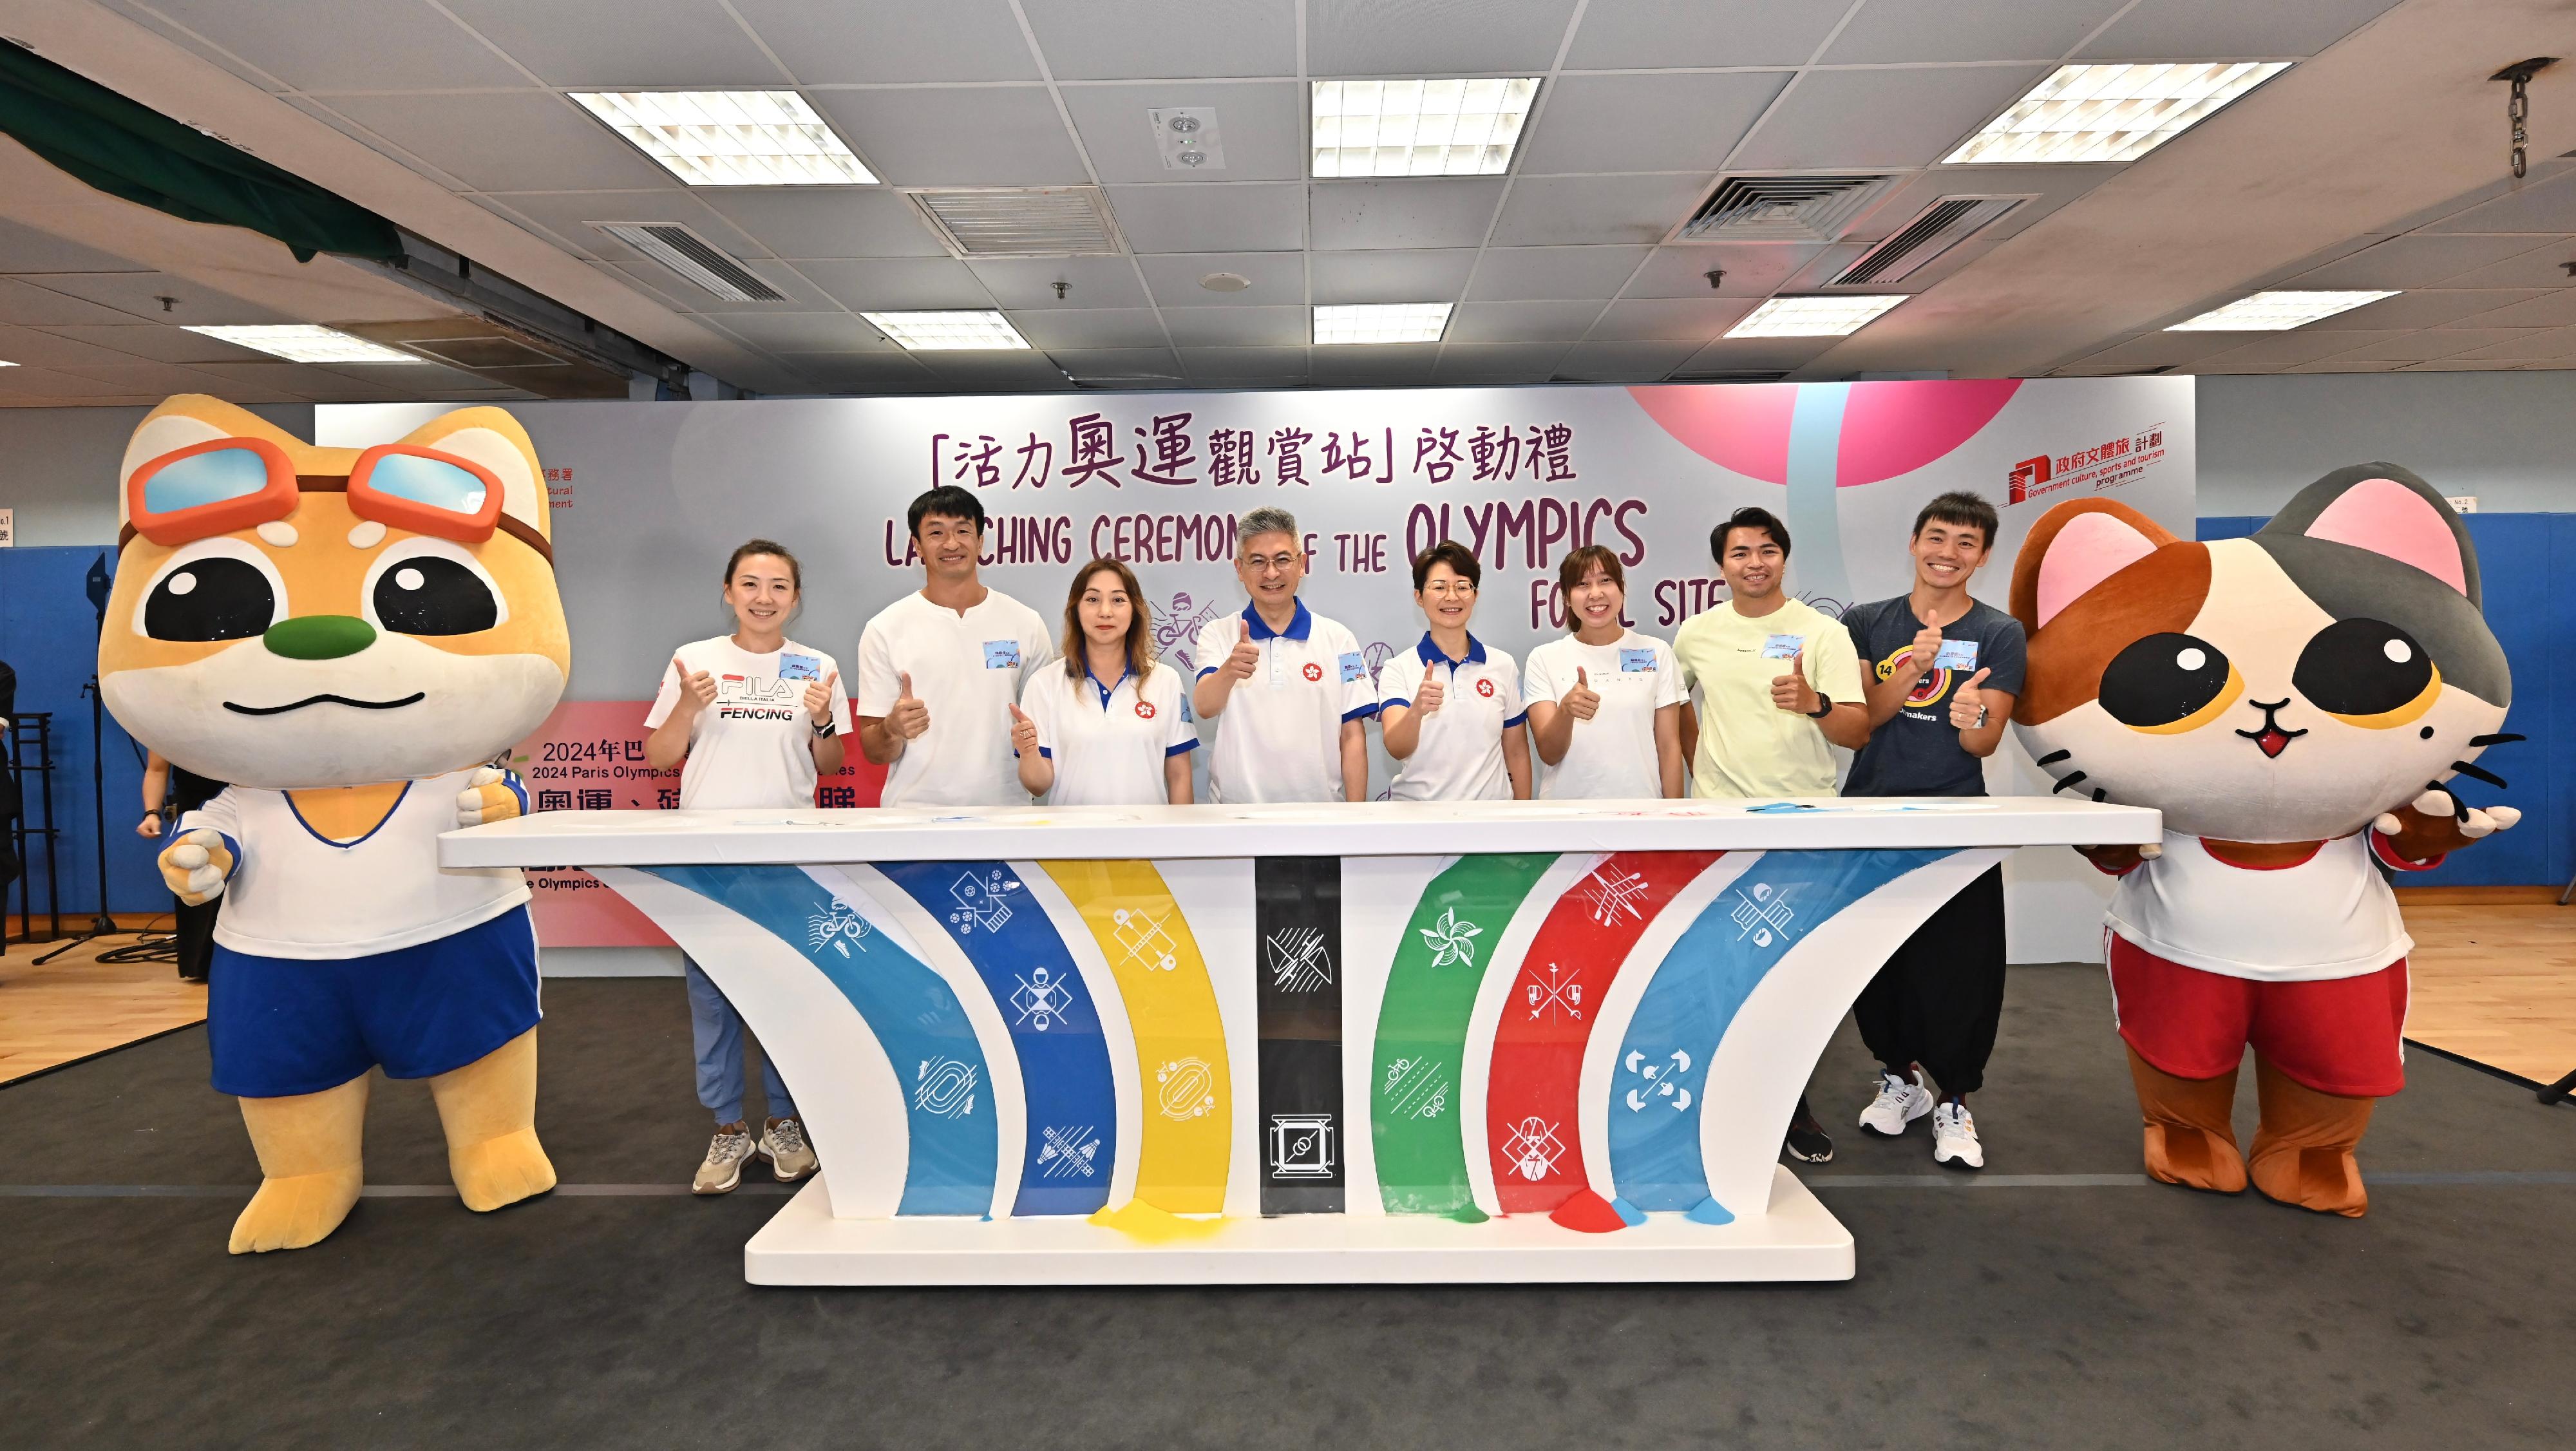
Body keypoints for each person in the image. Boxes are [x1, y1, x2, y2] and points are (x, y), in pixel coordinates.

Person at [644, 540, 851, 1195]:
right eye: (751, 584)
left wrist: (822, 721)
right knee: (714, 1001)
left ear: (795, 597)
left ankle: (785, 1124)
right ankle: (728, 1128)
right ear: (728, 592)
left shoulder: (818, 667)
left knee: (789, 994)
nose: (765, 598)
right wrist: (686, 706)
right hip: (708, 860)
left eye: (779, 586)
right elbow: (658, 758)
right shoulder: (695, 662)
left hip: (789, 859)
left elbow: (832, 766)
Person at [1673, 505, 1871, 1164]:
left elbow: (1855, 728)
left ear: (1783, 557)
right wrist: (1705, 764)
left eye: (1766, 550)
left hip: (1802, 825)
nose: (1753, 563)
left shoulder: (1821, 632)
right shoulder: (1696, 633)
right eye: (1739, 553)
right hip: (1717, 822)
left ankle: (1791, 1105)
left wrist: (1814, 703)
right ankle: (1712, 1099)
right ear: (1721, 565)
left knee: (1792, 977)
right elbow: (1672, 712)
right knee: (1719, 970)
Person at [1840, 491, 2025, 1171]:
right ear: (1914, 542)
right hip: (1867, 816)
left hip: (1956, 820)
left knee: (1958, 967)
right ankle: (1899, 1078)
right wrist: (1916, 668)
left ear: (1983, 556)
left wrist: (1972, 715)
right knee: (1878, 962)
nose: (1948, 553)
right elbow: (1863, 721)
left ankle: (1954, 1099)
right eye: (1938, 537)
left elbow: (1984, 745)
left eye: (1966, 543)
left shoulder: (2001, 634)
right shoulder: (1866, 621)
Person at [854, 486, 1056, 806]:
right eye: (936, 533)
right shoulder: (885, 628)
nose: (951, 543)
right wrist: (892, 728)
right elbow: (874, 751)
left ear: (980, 541)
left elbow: (1045, 731)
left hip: (1006, 813)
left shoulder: (1025, 623)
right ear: (917, 546)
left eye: (963, 530)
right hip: (914, 816)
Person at [1190, 507, 1378, 802]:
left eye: (1282, 560)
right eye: (1258, 562)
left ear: (1302, 563)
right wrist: (1229, 670)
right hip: (1235, 818)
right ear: (1239, 569)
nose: (1271, 573)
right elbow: (1204, 706)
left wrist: (1353, 820)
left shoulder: (1341, 639)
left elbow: (1352, 735)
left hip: (1319, 819)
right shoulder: (1218, 633)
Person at [1014, 558, 1198, 806]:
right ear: (1075, 610)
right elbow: (1038, 784)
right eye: (1092, 599)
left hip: (1149, 840)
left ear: (1134, 610)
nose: (1105, 612)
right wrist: (1028, 752)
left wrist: (1180, 841)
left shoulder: (1166, 680)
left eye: (1118, 600)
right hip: (1073, 839)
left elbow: (1179, 776)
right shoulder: (1045, 684)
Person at [1521, 544, 1685, 799]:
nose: (1595, 594)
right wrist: (1565, 711)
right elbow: (1549, 753)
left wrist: (1673, 819)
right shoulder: (1543, 658)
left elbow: (1669, 747)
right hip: (1566, 818)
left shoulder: (1656, 651)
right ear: (1566, 596)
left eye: (1605, 581)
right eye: (1582, 584)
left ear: (1621, 589)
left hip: (1641, 814)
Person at [1378, 542, 1531, 801]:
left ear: (1475, 595)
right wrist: (1416, 710)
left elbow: (1516, 752)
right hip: (1418, 822)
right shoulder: (1398, 668)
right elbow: (1396, 748)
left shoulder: (1502, 665)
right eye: (1439, 587)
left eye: (1462, 587)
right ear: (1419, 596)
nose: (1452, 597)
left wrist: (1520, 820)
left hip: (1488, 824)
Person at [138, 749, 226, 982]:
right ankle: (200, 965)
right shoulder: (169, 723)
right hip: (195, 804)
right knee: (198, 878)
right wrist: (151, 813)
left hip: (247, 799)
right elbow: (157, 769)